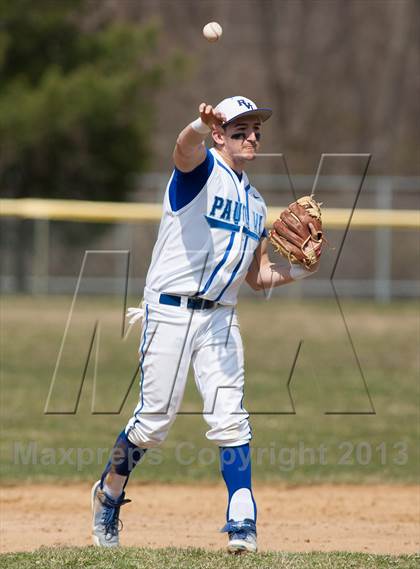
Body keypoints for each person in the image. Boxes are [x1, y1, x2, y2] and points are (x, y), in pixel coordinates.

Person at [91, 96, 319, 553]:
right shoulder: (199, 172)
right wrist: (199, 122)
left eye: (256, 129)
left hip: (220, 318)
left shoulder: (255, 203)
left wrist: (300, 272)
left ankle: (242, 517)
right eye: (240, 129)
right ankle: (108, 493)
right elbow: (182, 147)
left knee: (230, 419)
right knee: (152, 425)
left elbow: (256, 278)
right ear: (219, 135)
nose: (252, 135)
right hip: (170, 312)